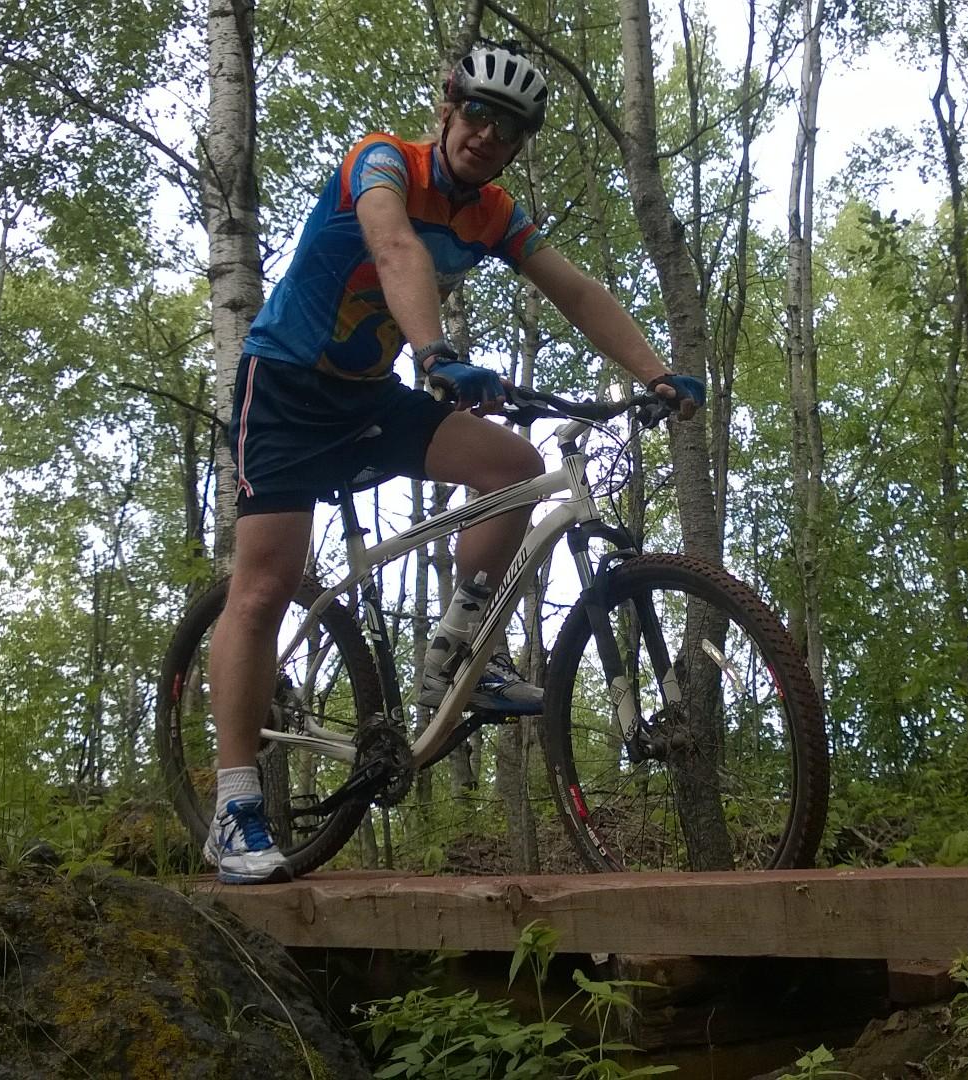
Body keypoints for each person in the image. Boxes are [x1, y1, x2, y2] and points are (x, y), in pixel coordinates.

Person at [205, 41, 707, 884]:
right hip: (286, 388)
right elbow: (395, 248)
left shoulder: (494, 213)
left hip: (367, 397)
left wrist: (652, 371)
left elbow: (575, 290)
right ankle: (234, 806)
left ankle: (457, 660)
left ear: (515, 147)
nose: (486, 134)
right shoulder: (383, 162)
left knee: (512, 465)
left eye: (506, 129)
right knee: (261, 587)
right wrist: (436, 352)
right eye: (476, 113)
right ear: (447, 109)